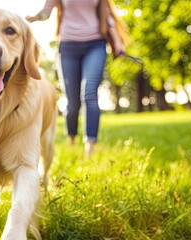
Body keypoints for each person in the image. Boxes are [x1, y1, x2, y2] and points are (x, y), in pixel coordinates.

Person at [26, 0, 129, 158]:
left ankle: (90, 147)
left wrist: (117, 42)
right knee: (72, 102)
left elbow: (108, 17)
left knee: (90, 92)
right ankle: (72, 140)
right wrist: (34, 18)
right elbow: (46, 12)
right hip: (68, 47)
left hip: (96, 45)